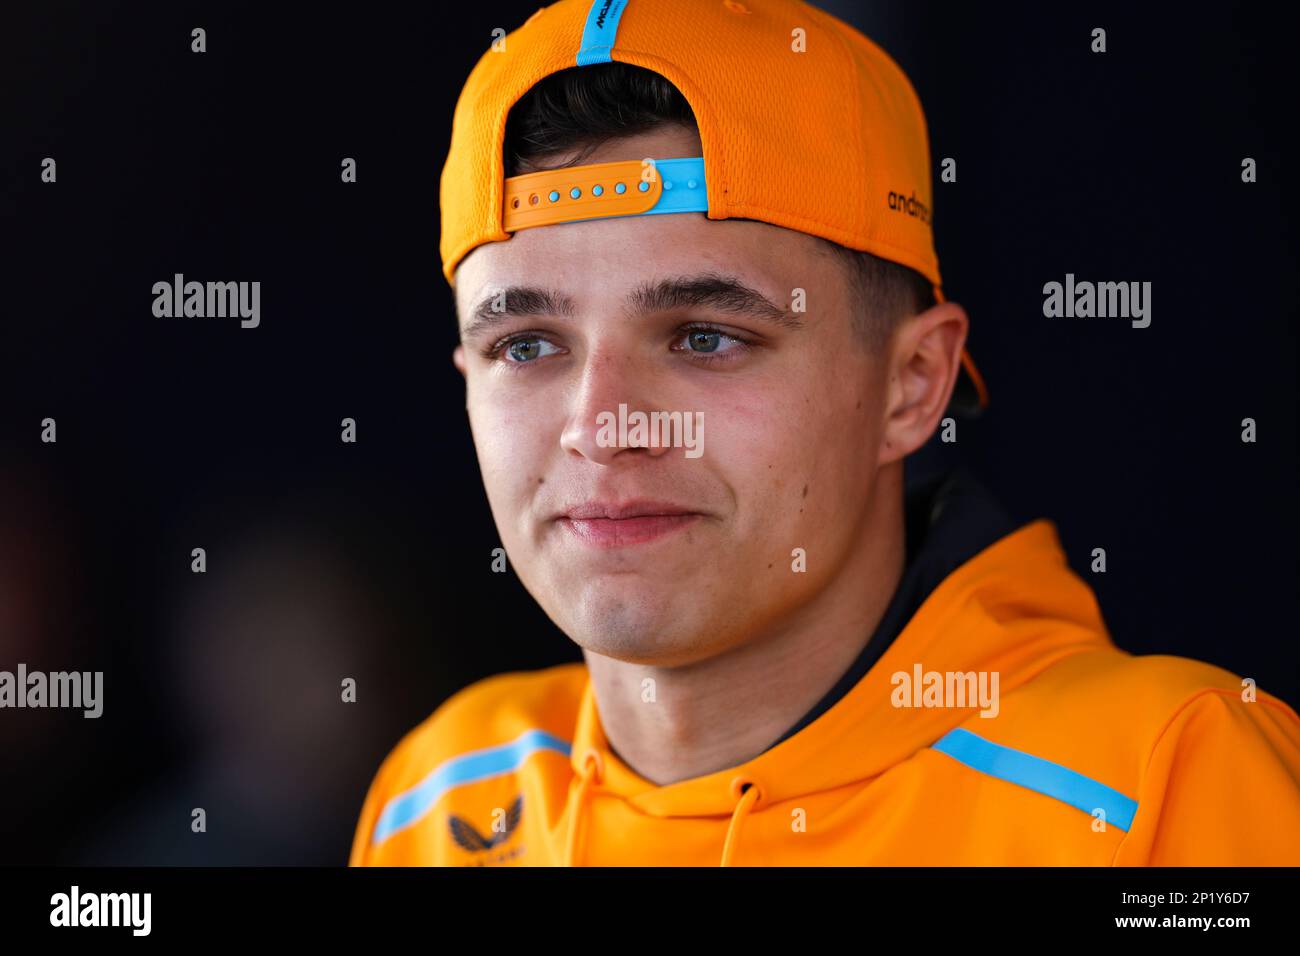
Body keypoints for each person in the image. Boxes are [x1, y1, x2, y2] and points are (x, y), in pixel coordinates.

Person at [350, 0, 1300, 866]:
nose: (603, 427)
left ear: (910, 386)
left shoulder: (1164, 782)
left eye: (705, 336)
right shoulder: (437, 802)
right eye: (526, 346)